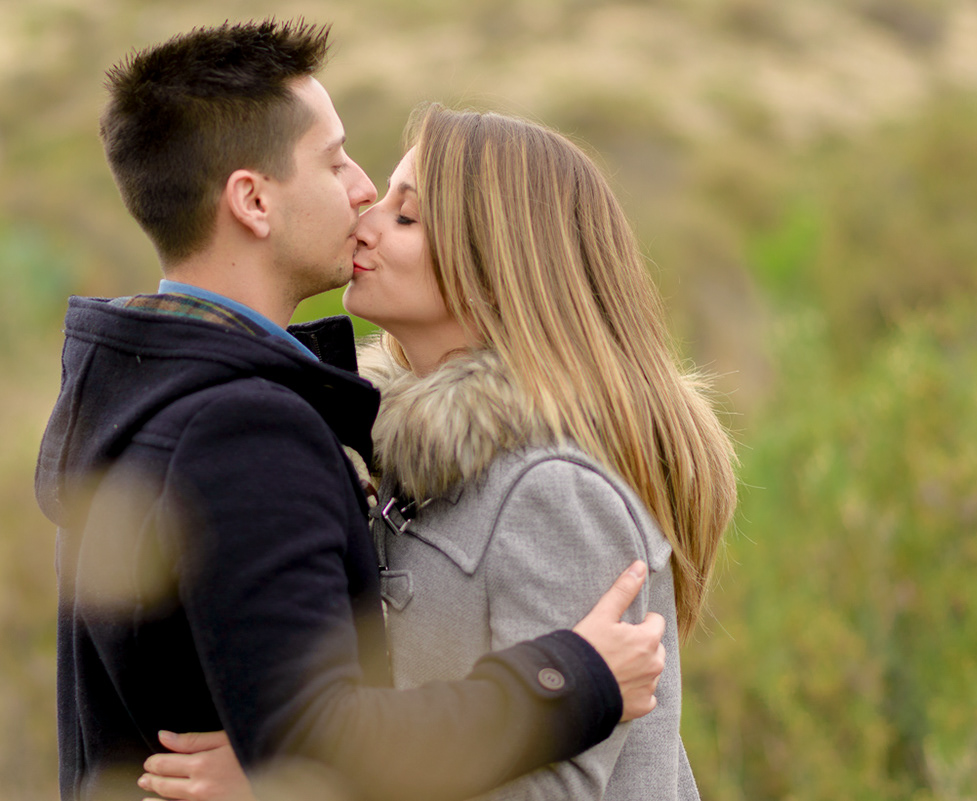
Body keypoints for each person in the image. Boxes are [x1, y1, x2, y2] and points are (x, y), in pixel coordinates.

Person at [34, 20, 667, 801]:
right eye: (336, 162)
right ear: (254, 201)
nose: (362, 192)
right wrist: (569, 679)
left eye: (408, 213)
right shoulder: (244, 427)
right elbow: (314, 727)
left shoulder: (139, 395)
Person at [145, 103, 739, 799]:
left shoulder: (554, 492)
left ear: (494, 272)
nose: (363, 220)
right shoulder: (411, 470)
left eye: (406, 217)